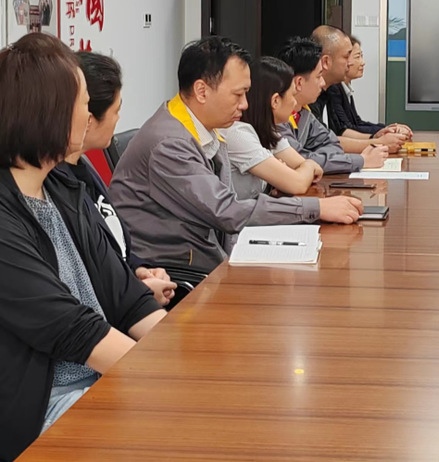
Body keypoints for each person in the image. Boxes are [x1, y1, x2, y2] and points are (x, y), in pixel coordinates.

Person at [0, 34, 165, 460]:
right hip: (44, 408)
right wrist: (165, 376)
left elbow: (126, 298)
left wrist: (177, 353)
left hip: (104, 378)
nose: (89, 114)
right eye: (83, 102)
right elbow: (69, 328)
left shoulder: (62, 186)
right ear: (49, 113)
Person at [111, 37, 363, 279]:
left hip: (207, 254)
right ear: (202, 91)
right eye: (238, 94)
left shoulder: (204, 127)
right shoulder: (170, 143)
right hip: (176, 271)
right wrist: (317, 208)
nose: (245, 104)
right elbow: (227, 210)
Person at [51, 51, 177, 306]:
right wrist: (137, 292)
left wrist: (140, 269)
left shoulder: (84, 167)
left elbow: (116, 245)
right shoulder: (56, 186)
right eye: (116, 110)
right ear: (88, 118)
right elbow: (86, 279)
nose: (118, 119)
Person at [219, 56, 326, 200]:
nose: (295, 103)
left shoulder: (268, 130)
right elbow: (298, 183)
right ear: (275, 101)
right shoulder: (237, 133)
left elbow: (312, 170)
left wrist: (300, 170)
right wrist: (302, 168)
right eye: (293, 95)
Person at [276, 36, 388, 172]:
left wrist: (318, 158)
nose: (322, 82)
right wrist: (361, 161)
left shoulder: (304, 112)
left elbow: (332, 143)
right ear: (299, 82)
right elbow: (298, 159)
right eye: (318, 76)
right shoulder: (277, 117)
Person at [310, 26, 409, 151]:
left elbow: (326, 138)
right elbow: (329, 138)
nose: (349, 63)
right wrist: (376, 142)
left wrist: (377, 136)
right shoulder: (311, 97)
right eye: (347, 57)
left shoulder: (325, 93)